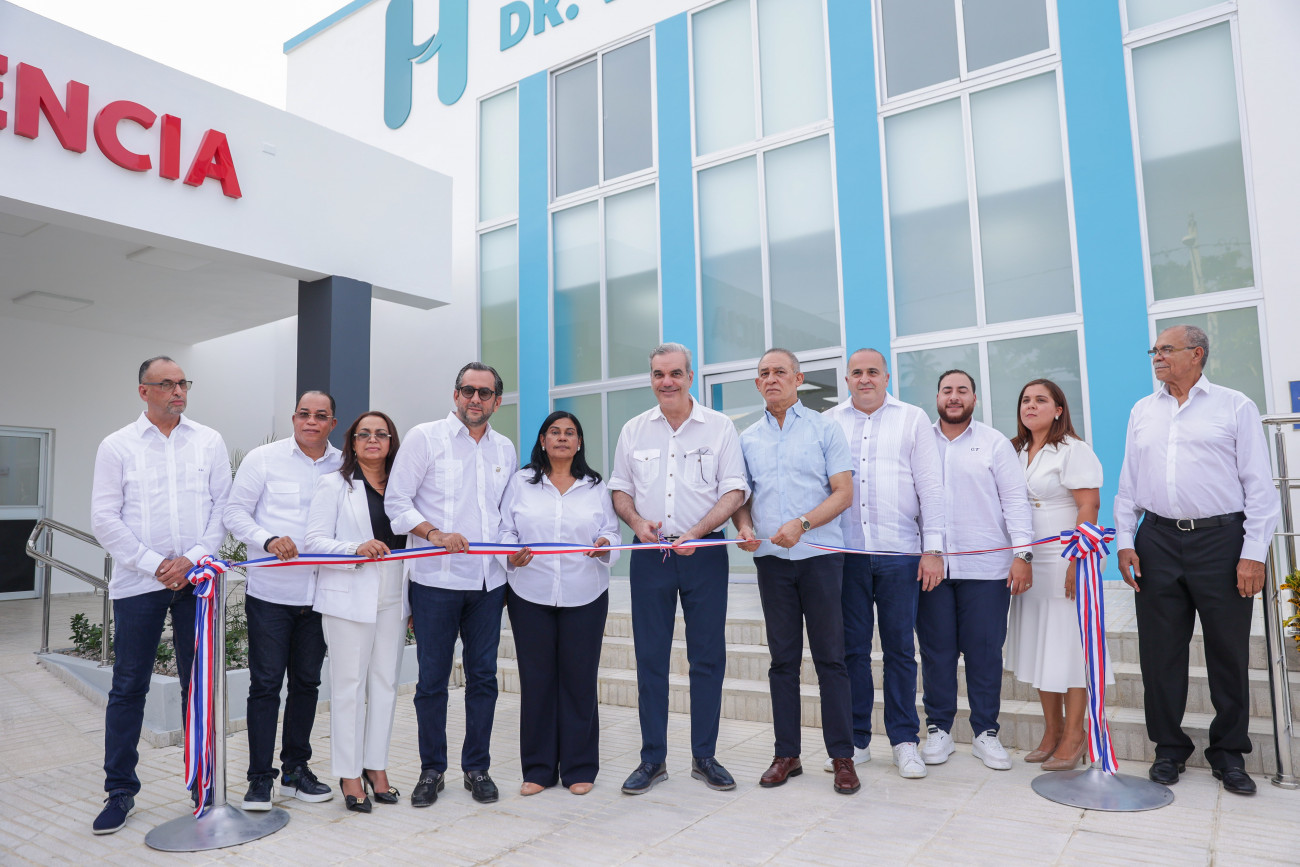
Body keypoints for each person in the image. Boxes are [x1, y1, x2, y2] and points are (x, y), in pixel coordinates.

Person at [1116, 325, 1279, 795]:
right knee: (1159, 653)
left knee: (1227, 651)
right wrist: (1125, 540)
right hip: (1157, 541)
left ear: (1197, 354)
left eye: (1167, 349)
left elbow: (1259, 487)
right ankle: (1168, 749)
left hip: (1221, 541)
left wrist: (1253, 554)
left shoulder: (1235, 406)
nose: (1157, 356)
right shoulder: (1142, 410)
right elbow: (1129, 483)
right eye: (1155, 350)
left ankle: (1229, 754)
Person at [89, 356, 231, 834]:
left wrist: (190, 559)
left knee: (199, 686)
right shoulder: (117, 445)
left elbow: (223, 507)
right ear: (143, 391)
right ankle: (120, 791)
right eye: (167, 384)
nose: (178, 391)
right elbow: (104, 517)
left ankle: (203, 786)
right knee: (129, 685)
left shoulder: (208, 440)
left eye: (183, 383)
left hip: (197, 582)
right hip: (138, 584)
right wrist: (155, 564)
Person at [608, 343, 749, 795]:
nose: (666, 382)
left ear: (690, 376)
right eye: (658, 374)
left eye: (674, 373)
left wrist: (698, 531)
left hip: (704, 554)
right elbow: (620, 489)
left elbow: (734, 491)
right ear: (651, 378)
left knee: (707, 657)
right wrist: (636, 523)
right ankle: (652, 759)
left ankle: (704, 756)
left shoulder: (720, 427)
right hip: (650, 555)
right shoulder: (634, 430)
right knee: (650, 658)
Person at [385, 362, 516, 807]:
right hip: (435, 581)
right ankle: (431, 770)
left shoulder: (504, 449)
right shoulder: (425, 438)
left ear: (497, 400)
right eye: (467, 390)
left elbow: (505, 515)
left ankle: (477, 768)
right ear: (455, 394)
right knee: (431, 682)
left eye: (484, 392)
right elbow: (397, 502)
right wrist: (434, 534)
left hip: (488, 582)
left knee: (483, 679)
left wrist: (511, 552)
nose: (475, 399)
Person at [734, 348, 858, 795]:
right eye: (764, 373)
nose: (772, 379)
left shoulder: (826, 428)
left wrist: (802, 524)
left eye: (780, 372)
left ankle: (842, 757)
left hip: (821, 558)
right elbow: (742, 497)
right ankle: (786, 754)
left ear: (798, 379)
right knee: (782, 661)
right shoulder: (746, 438)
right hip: (772, 562)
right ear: (757, 384)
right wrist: (744, 527)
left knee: (831, 659)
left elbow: (843, 493)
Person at [823, 348, 944, 780]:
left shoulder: (912, 419)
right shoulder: (829, 422)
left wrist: (933, 549)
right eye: (856, 372)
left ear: (886, 377)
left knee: (900, 650)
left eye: (872, 371)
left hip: (900, 554)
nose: (865, 378)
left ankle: (904, 741)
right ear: (846, 379)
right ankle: (857, 742)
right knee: (852, 651)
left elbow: (930, 486)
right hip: (847, 555)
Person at [226, 391, 342, 809]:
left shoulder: (343, 464)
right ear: (294, 418)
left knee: (307, 684)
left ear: (332, 423)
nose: (311, 421)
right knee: (266, 685)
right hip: (271, 594)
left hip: (320, 593)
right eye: (304, 414)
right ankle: (259, 779)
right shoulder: (263, 459)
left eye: (321, 416)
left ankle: (295, 771)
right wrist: (268, 539)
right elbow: (234, 513)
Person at [918, 370, 1033, 771]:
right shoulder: (920, 441)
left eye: (962, 391)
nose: (954, 397)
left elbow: (1015, 501)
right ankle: (939, 730)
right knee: (937, 652)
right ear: (937, 397)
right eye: (947, 390)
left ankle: (986, 733)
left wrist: (1023, 554)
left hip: (986, 569)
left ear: (974, 399)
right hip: (931, 567)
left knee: (984, 653)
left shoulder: (994, 443)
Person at [499, 411, 618, 796]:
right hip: (529, 593)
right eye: (555, 432)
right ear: (543, 440)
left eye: (570, 433)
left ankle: (580, 768)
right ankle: (538, 769)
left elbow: (611, 532)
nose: (563, 438)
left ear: (579, 442)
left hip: (585, 593)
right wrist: (510, 552)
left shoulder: (595, 486)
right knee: (537, 682)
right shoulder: (521, 482)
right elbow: (505, 530)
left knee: (579, 681)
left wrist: (604, 545)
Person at [306, 411, 407, 813]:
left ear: (391, 442)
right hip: (348, 594)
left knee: (385, 683)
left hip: (394, 594)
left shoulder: (402, 487)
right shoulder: (334, 484)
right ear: (351, 442)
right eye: (364, 434)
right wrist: (354, 548)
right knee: (349, 686)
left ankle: (375, 766)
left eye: (381, 433)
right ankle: (349, 773)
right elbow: (314, 541)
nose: (373, 439)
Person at [1004, 379, 1104, 771]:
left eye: (1041, 400)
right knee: (1041, 644)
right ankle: (1052, 730)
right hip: (1028, 559)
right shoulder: (1014, 451)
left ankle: (1075, 735)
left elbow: (1089, 506)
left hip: (1066, 557)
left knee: (1069, 646)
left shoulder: (1073, 450)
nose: (1030, 406)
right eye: (1025, 400)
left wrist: (1077, 561)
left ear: (1059, 409)